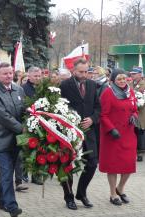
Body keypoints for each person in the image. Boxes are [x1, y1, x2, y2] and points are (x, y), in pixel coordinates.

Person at [60, 58, 100, 210]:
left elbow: (97, 106)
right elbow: (60, 107)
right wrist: (71, 120)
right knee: (67, 166)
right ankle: (69, 197)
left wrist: (92, 119)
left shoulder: (91, 84)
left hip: (88, 132)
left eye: (86, 71)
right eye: (81, 72)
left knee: (92, 163)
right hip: (70, 133)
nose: (84, 75)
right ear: (73, 71)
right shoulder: (64, 85)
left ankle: (81, 193)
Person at [0, 62, 25, 217]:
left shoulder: (19, 89)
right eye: (5, 73)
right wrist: (21, 127)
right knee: (7, 172)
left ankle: (3, 201)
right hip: (1, 139)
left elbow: (23, 109)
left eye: (10, 73)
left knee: (6, 173)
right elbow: (3, 116)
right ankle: (12, 206)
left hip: (17, 139)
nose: (9, 76)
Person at [99, 69, 138, 206]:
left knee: (129, 164)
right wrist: (111, 129)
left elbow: (134, 109)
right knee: (113, 166)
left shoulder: (130, 92)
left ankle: (120, 188)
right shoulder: (108, 93)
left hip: (128, 134)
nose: (122, 81)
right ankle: (113, 194)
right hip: (113, 135)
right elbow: (103, 115)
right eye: (119, 79)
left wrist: (134, 116)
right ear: (113, 81)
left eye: (124, 78)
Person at [130, 66, 145, 162]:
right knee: (134, 132)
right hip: (132, 113)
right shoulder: (131, 83)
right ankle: (134, 151)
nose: (132, 75)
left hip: (141, 112)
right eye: (132, 74)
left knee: (140, 133)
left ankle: (140, 152)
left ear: (140, 74)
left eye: (134, 74)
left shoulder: (143, 84)